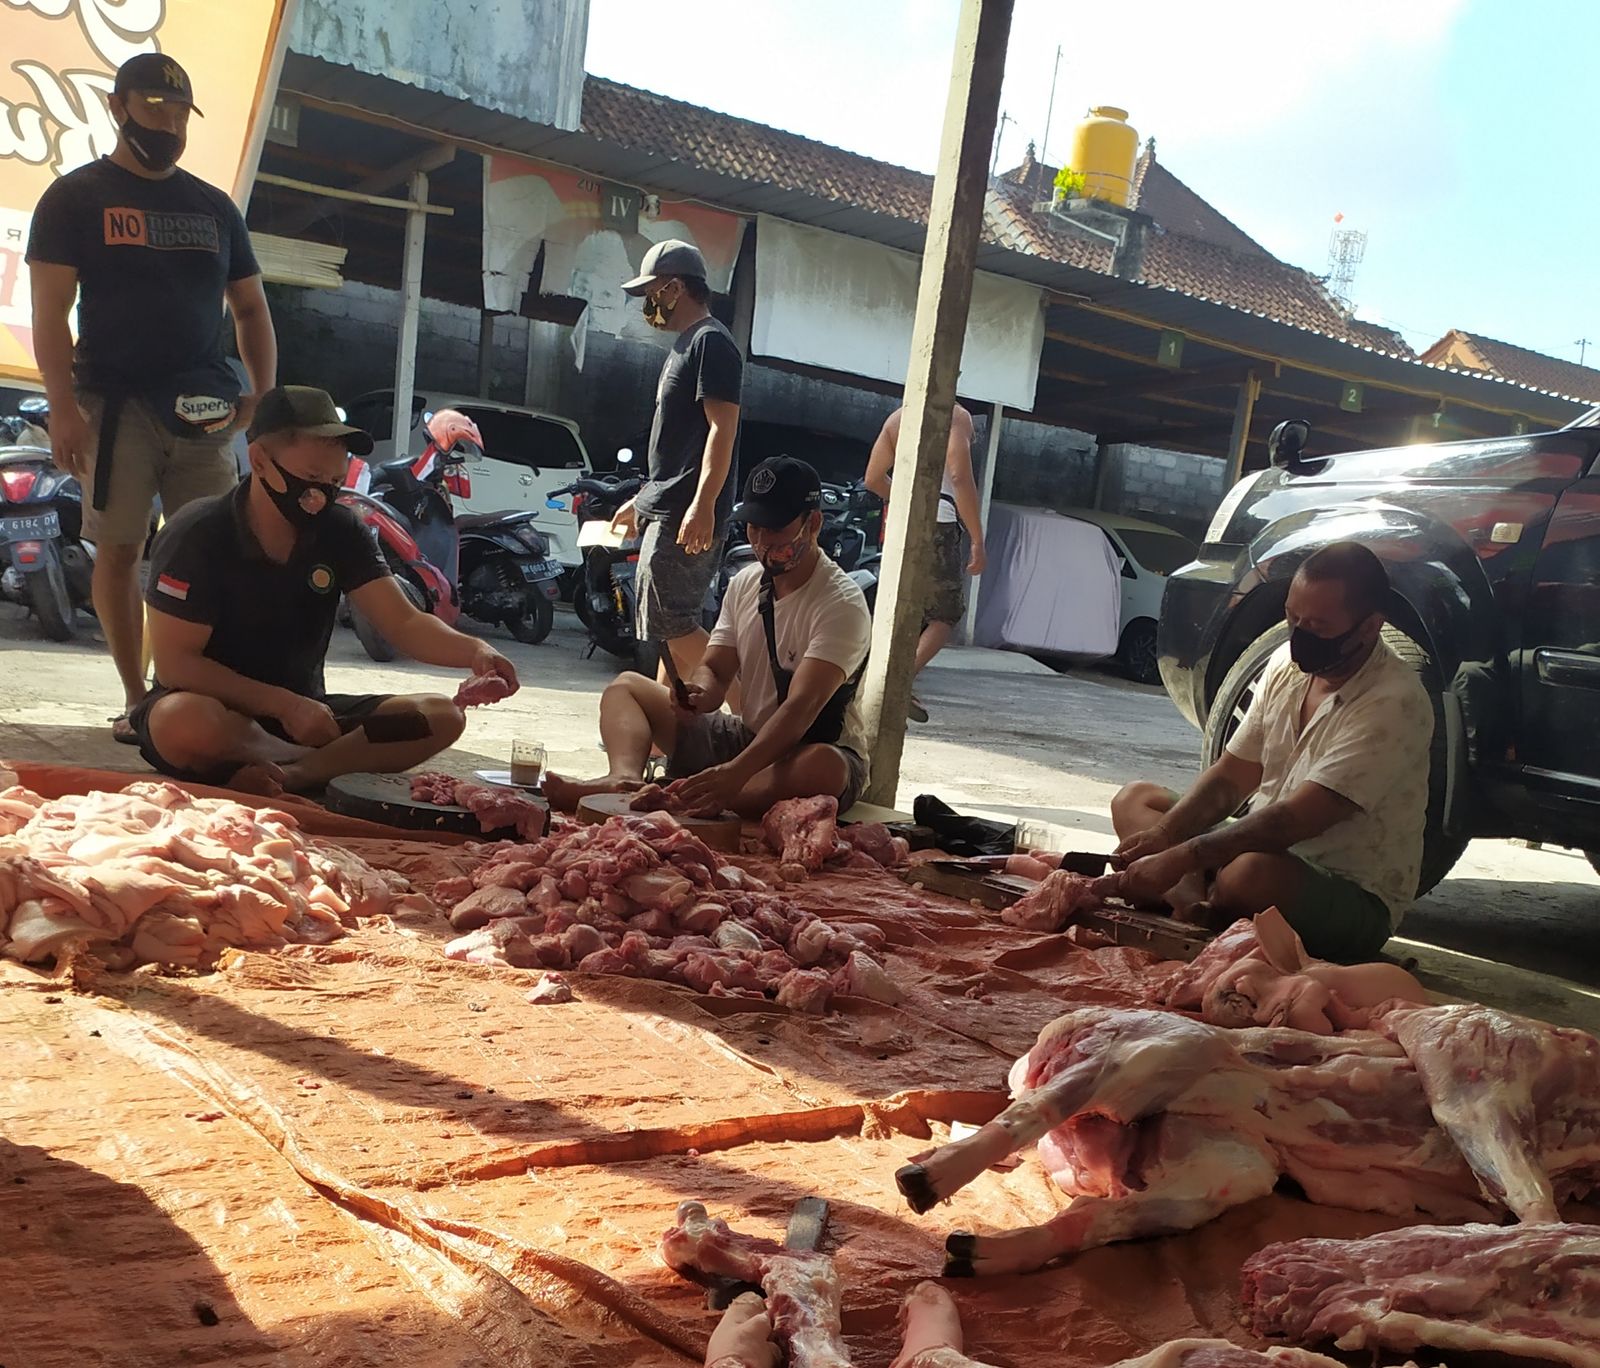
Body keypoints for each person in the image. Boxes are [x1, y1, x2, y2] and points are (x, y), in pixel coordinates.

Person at [26, 53, 277, 746]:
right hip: (113, 402)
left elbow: (252, 309)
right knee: (120, 547)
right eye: (153, 107)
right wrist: (63, 406)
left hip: (204, 407)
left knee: (207, 551)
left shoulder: (213, 207)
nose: (167, 122)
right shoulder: (74, 198)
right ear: (118, 106)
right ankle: (138, 696)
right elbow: (50, 312)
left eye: (178, 112)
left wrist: (262, 394)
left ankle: (189, 690)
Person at [128, 386, 517, 795]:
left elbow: (402, 621)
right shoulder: (200, 532)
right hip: (215, 709)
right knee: (183, 722)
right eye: (312, 478)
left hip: (312, 717)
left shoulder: (339, 529)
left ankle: (295, 775)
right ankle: (302, 762)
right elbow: (175, 665)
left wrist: (476, 653)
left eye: (333, 480)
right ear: (259, 460)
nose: (321, 494)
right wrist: (284, 705)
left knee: (439, 716)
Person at [1107, 541, 1433, 963]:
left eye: (1319, 626)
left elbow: (1293, 821)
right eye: (1293, 618)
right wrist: (1165, 837)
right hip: (1259, 849)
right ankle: (1193, 910)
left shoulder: (1395, 701)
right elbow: (1230, 778)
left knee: (1249, 874)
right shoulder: (1285, 663)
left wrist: (1180, 856)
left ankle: (1204, 898)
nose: (1302, 636)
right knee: (1138, 800)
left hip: (1344, 890)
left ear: (1370, 627)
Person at [546, 457, 870, 818]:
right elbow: (716, 667)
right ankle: (624, 778)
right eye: (753, 528)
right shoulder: (747, 583)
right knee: (626, 687)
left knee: (825, 766)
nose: (762, 542)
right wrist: (700, 693)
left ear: (813, 523)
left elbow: (801, 708)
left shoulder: (840, 602)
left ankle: (702, 796)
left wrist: (737, 772)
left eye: (774, 529)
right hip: (746, 738)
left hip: (805, 748)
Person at [612, 239, 742, 678]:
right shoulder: (686, 345)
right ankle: (676, 731)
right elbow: (678, 446)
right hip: (670, 505)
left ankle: (757, 715)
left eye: (652, 293)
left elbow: (722, 429)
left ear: (674, 288)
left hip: (687, 513)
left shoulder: (712, 344)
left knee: (672, 624)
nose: (648, 304)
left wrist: (703, 505)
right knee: (670, 628)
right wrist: (644, 500)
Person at [863, 401, 987, 721]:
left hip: (899, 525)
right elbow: (959, 476)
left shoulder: (896, 419)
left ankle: (874, 679)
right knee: (945, 614)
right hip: (939, 522)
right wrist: (977, 538)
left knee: (902, 608)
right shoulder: (956, 417)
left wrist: (906, 498)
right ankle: (899, 682)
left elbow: (874, 478)